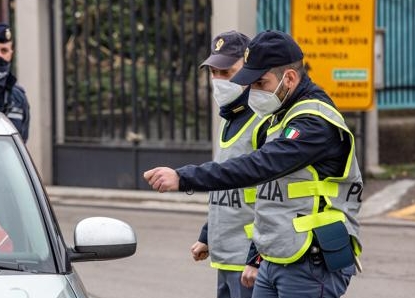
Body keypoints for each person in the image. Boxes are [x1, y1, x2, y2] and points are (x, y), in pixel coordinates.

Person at [143, 30, 363, 298]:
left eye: (260, 83)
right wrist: (256, 256)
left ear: (289, 78)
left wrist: (185, 177)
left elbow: (259, 166)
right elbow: (269, 198)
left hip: (312, 259)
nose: (254, 92)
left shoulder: (313, 121)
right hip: (276, 255)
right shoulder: (280, 114)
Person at [190, 30, 268, 298]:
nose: (219, 80)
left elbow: (275, 199)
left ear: (248, 69)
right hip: (225, 257)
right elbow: (221, 182)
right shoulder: (227, 120)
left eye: (227, 72)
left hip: (248, 261)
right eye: (214, 72)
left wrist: (258, 257)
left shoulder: (262, 122)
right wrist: (207, 235)